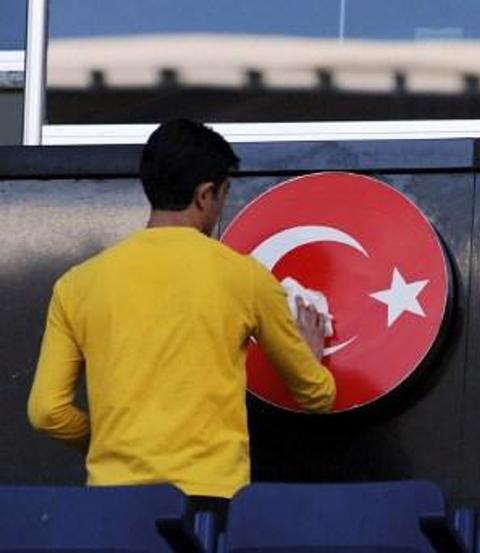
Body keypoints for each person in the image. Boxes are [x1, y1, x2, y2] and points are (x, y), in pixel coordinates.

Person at [27, 119, 335, 528]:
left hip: (110, 502)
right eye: (224, 194)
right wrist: (312, 357)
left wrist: (106, 443)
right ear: (205, 194)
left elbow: (47, 412)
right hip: (209, 503)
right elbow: (316, 396)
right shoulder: (244, 277)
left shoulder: (77, 284)